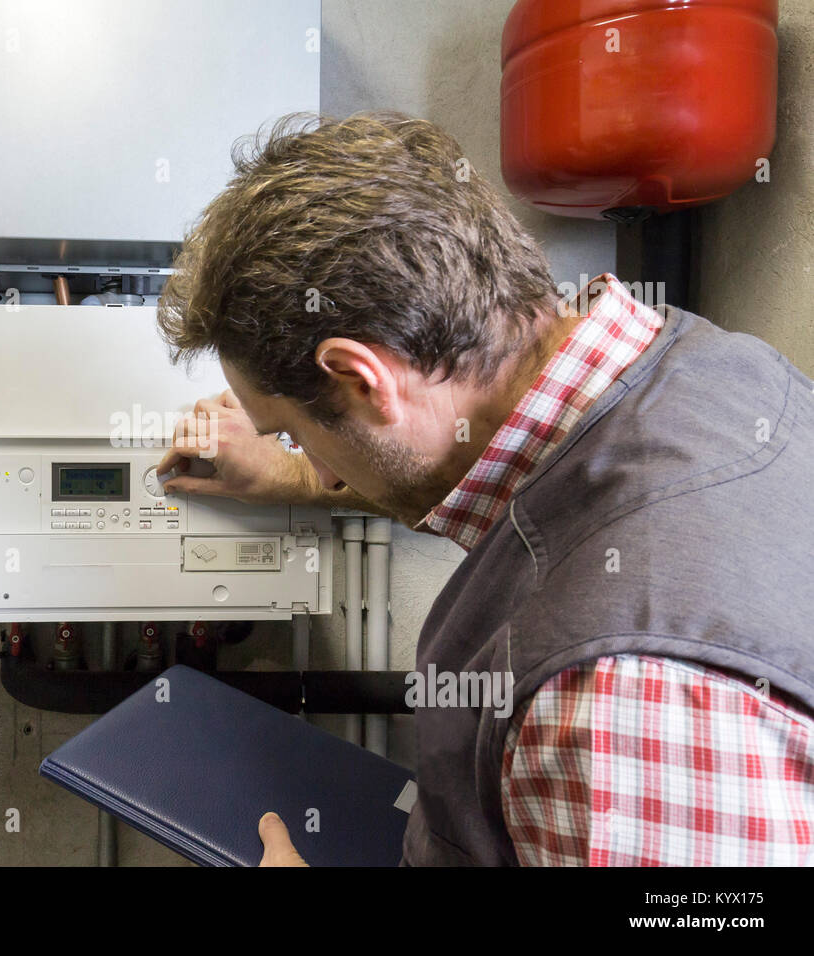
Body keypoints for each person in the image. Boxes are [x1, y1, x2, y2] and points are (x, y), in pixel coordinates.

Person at [154, 111, 814, 866]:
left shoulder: (619, 701)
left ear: (362, 380)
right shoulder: (701, 367)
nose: (324, 469)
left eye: (298, 432)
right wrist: (301, 474)